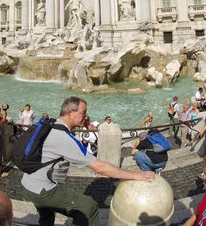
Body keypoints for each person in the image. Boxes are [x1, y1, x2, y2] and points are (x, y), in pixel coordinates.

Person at [21, 96, 155, 226]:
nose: (85, 117)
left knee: (47, 216)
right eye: (83, 113)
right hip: (42, 190)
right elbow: (99, 167)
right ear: (70, 112)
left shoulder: (51, 124)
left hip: (28, 183)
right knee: (88, 208)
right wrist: (135, 175)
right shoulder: (64, 138)